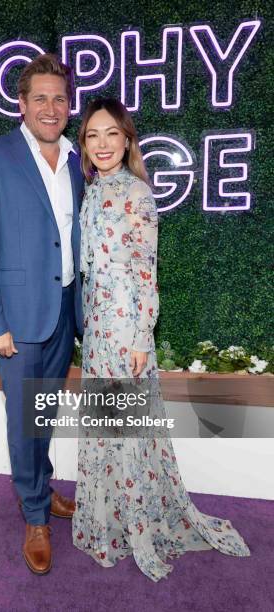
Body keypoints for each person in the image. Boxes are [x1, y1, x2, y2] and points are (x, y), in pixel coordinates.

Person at [72, 97, 250, 581]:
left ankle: (140, 522)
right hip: (98, 326)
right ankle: (112, 519)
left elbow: (144, 269)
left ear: (128, 139)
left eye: (112, 133)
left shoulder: (137, 193)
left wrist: (137, 336)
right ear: (84, 145)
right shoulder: (91, 192)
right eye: (93, 135)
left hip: (126, 326)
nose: (103, 143)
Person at [0, 54, 84, 575]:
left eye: (59, 98)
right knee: (23, 420)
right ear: (22, 103)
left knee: (44, 413)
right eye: (41, 98)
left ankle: (42, 485)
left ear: (69, 105)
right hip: (17, 317)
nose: (50, 108)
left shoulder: (80, 159)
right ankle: (34, 515)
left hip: (64, 307)